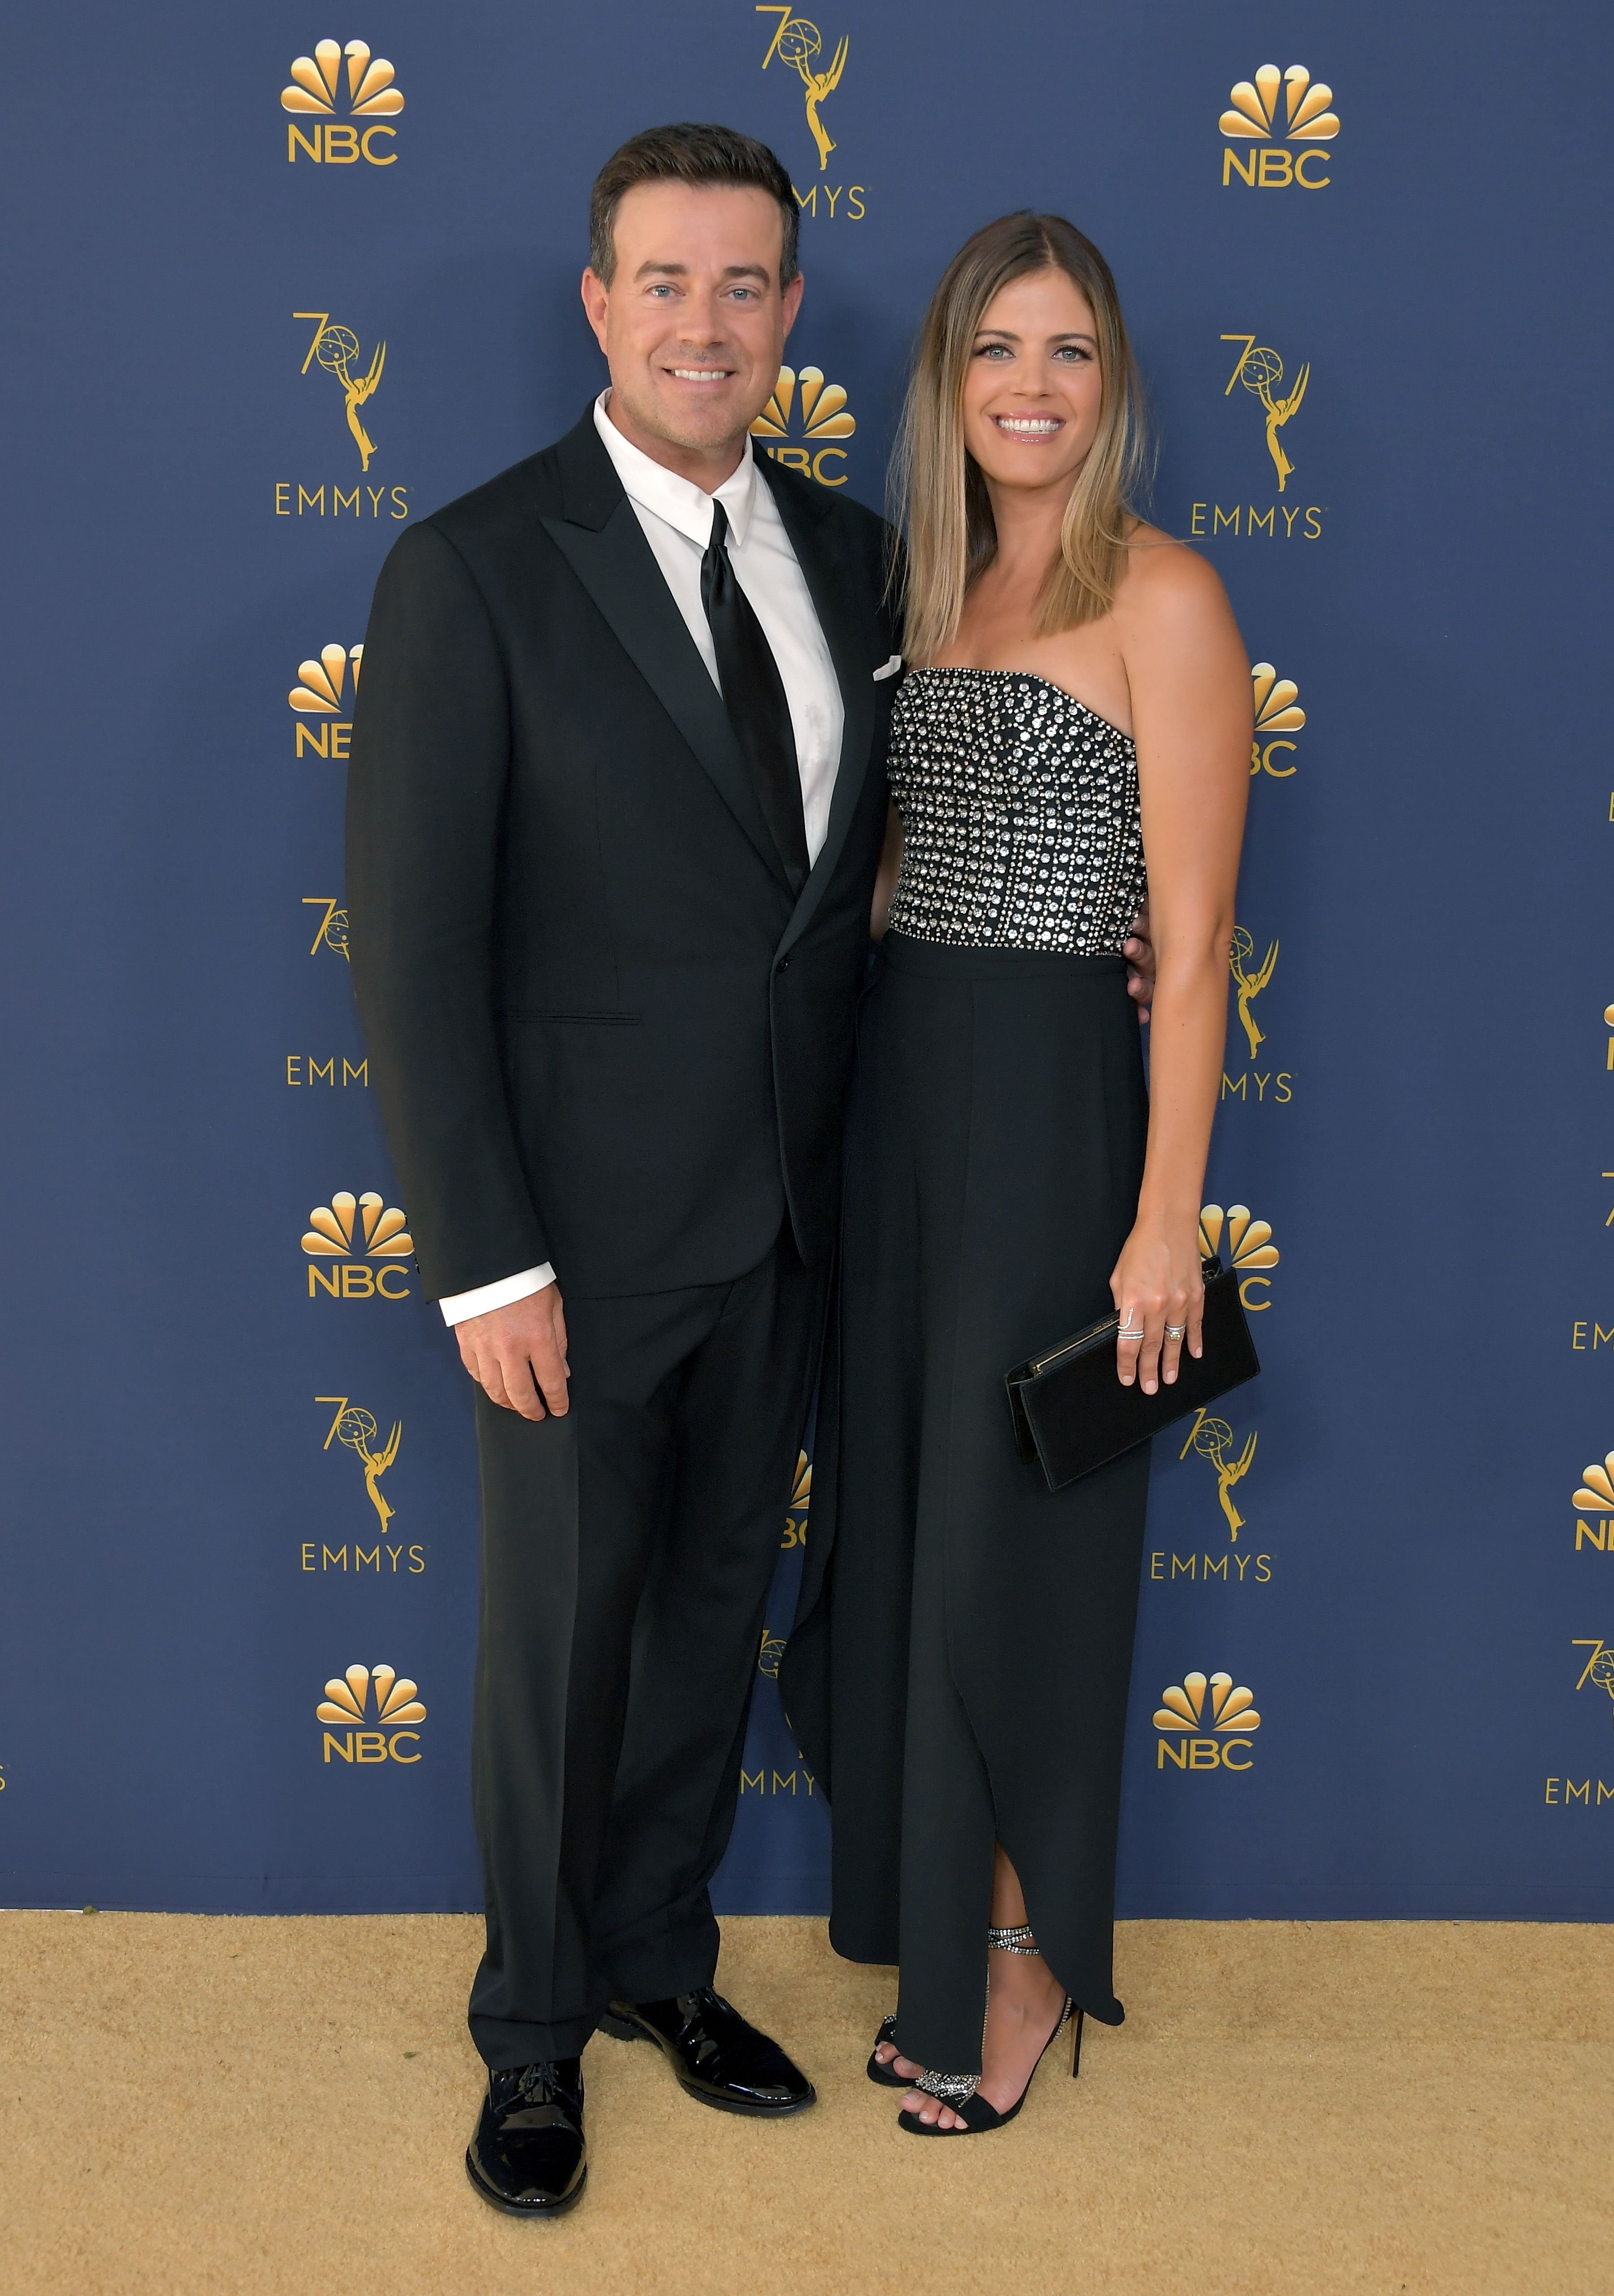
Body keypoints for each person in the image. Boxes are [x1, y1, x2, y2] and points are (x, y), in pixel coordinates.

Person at [345, 122, 908, 2218]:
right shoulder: (474, 566)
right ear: (599, 303)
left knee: (704, 1623)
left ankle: (664, 1961)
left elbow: (866, 879)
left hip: (790, 1221)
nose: (706, 319)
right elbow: (415, 949)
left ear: (789, 316)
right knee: (557, 1648)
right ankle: (531, 2029)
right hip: (571, 1240)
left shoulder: (857, 559)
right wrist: (485, 1260)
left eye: (745, 284)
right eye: (665, 280)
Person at [781, 213, 1250, 2136]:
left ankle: (1033, 1948)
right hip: (904, 1082)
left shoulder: (1168, 596)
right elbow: (896, 862)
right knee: (901, 1522)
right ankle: (934, 1929)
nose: (1030, 388)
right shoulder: (933, 584)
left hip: (1062, 1099)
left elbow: (1199, 938)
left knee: (1015, 1536)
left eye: (1067, 352)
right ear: (949, 379)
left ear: (1112, 381)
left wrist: (1162, 1215)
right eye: (996, 351)